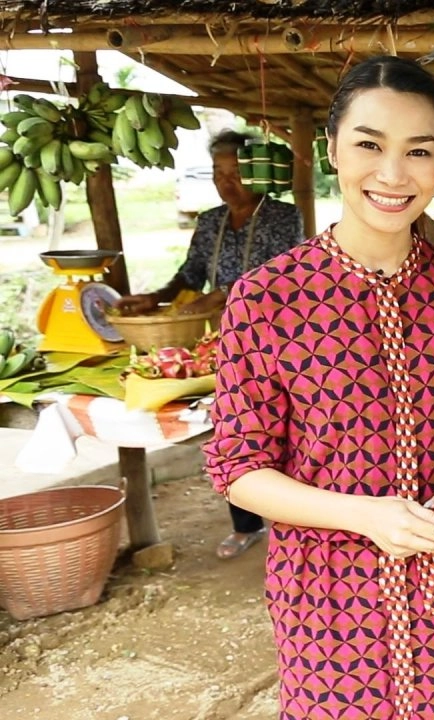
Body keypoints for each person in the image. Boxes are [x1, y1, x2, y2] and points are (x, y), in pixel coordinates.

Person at [204, 56, 434, 719]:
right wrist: (365, 515)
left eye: (418, 151)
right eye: (370, 145)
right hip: (330, 609)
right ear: (332, 150)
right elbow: (239, 469)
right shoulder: (267, 299)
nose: (393, 174)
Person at [116, 129, 305, 561]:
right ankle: (246, 523)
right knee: (237, 429)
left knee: (285, 428)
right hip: (218, 345)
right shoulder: (210, 222)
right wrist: (157, 298)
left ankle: (297, 513)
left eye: (237, 173)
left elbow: (285, 277)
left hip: (277, 339)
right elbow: (190, 275)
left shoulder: (282, 217)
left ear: (257, 173)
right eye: (220, 174)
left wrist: (227, 294)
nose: (227, 182)